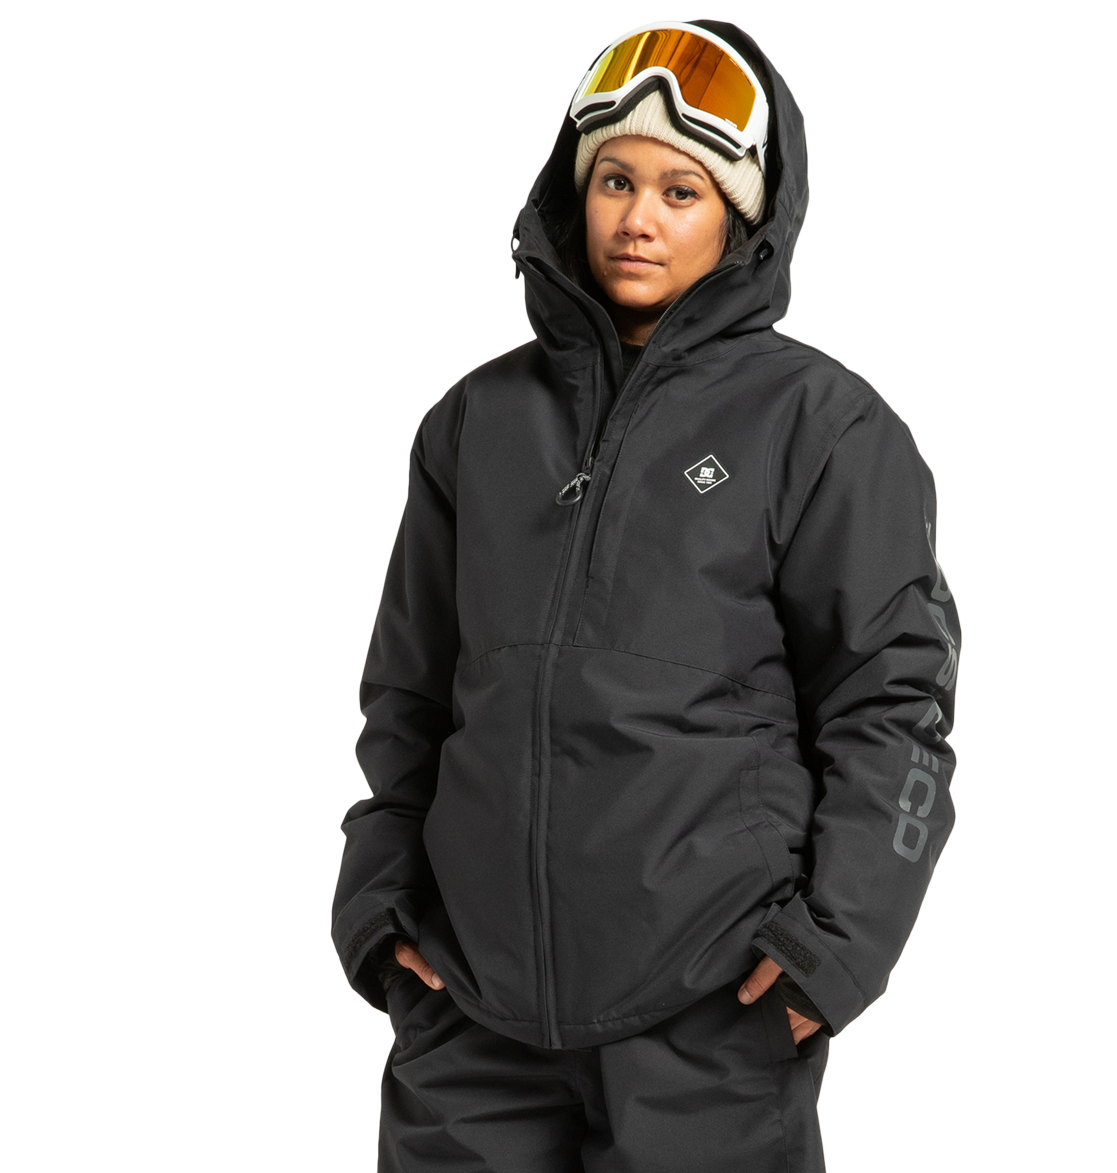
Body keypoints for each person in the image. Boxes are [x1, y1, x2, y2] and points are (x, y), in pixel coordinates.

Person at [331, 19, 960, 1172]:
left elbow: (895, 712)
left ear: (741, 218)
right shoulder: (476, 424)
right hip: (471, 1019)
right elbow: (406, 699)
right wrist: (378, 909)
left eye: (681, 191)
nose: (638, 217)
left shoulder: (824, 429)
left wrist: (832, 953)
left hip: (711, 1015)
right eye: (615, 180)